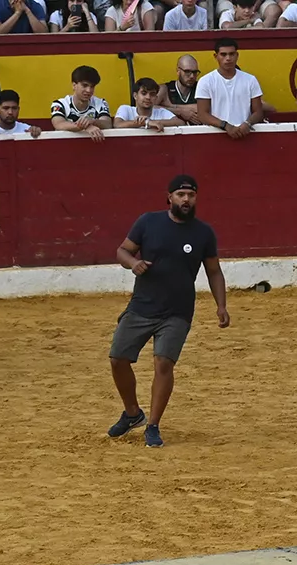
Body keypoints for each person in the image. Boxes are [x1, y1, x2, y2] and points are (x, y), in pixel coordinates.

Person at [107, 176, 228, 449]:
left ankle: (153, 425)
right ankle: (132, 413)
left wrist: (221, 305)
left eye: (191, 195)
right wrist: (133, 264)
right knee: (117, 359)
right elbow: (122, 251)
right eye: (180, 194)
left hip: (178, 310)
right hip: (141, 306)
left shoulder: (203, 233)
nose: (186, 200)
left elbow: (214, 271)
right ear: (169, 197)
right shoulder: (148, 222)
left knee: (163, 363)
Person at [195, 38, 264, 140]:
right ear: (215, 56)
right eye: (223, 54)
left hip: (245, 136)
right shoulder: (205, 81)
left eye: (232, 54)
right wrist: (225, 126)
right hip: (215, 136)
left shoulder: (250, 80)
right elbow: (202, 115)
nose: (228, 58)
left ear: (237, 55)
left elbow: (258, 112)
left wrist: (247, 123)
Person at [51, 66, 113, 141]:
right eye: (85, 85)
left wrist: (92, 121)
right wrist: (86, 126)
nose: (89, 90)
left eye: (92, 86)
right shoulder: (60, 104)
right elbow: (59, 124)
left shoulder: (100, 103)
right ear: (74, 85)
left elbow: (107, 124)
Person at [115, 77, 181, 130]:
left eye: (152, 94)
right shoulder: (126, 109)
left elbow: (180, 123)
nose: (148, 97)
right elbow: (117, 124)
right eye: (144, 93)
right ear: (135, 96)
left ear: (156, 98)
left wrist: (153, 122)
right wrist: (146, 122)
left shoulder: (161, 112)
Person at [163, 55, 204, 124]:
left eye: (195, 72)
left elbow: (201, 108)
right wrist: (180, 111)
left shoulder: (201, 87)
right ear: (178, 71)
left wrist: (171, 106)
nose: (192, 76)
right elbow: (151, 108)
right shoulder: (165, 89)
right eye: (187, 71)